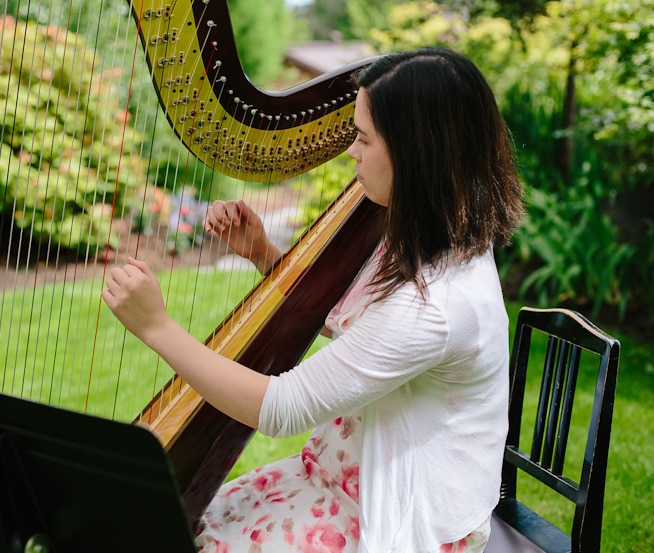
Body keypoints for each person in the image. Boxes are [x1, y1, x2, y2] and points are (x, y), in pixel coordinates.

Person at [102, 46, 524, 552]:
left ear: (417, 153)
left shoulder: (435, 305)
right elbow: (360, 322)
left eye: (364, 139)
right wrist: (263, 254)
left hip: (396, 513)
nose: (352, 152)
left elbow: (280, 408)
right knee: (172, 520)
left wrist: (157, 328)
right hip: (344, 477)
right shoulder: (430, 233)